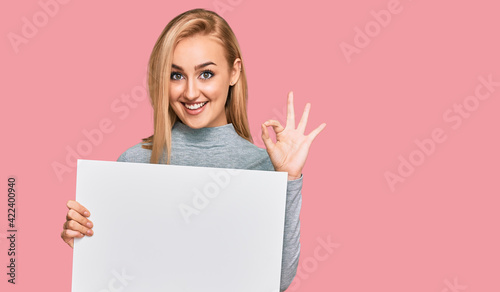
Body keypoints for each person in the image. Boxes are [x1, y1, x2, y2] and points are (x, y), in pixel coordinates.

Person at [61, 8, 326, 291]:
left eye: (206, 74)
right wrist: (86, 241)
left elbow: (278, 281)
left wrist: (289, 179)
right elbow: (118, 276)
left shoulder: (262, 166)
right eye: (176, 75)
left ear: (234, 72)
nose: (189, 92)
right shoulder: (134, 162)